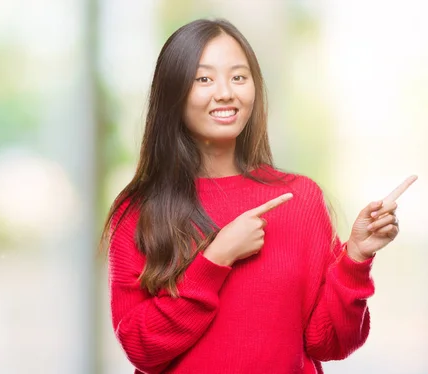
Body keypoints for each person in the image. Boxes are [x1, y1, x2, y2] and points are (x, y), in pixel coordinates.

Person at [100, 18, 417, 374]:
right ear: (172, 92)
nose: (225, 92)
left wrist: (356, 258)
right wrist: (216, 258)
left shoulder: (298, 198)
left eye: (239, 77)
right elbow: (141, 349)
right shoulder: (139, 210)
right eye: (204, 79)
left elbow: (329, 343)